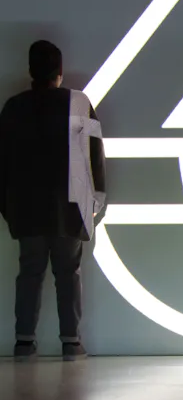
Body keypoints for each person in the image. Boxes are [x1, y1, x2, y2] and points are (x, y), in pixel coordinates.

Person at [0, 40, 106, 361]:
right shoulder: (78, 103)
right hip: (69, 207)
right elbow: (94, 155)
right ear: (59, 72)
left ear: (30, 71)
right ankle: (71, 342)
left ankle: (23, 341)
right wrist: (96, 199)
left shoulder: (13, 107)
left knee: (29, 272)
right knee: (68, 272)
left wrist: (7, 208)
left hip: (26, 209)